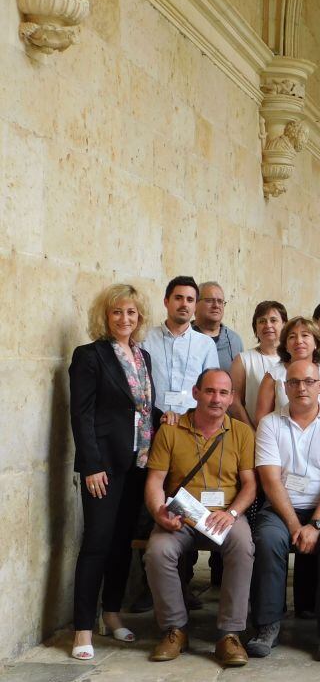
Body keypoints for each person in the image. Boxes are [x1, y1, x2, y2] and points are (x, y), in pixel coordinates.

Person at [68, 283, 158, 661]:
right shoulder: (90, 355)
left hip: (139, 463)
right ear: (105, 317)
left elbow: (141, 407)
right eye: (117, 312)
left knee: (122, 544)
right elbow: (81, 413)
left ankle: (111, 614)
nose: (125, 319)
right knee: (97, 543)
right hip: (103, 466)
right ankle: (82, 630)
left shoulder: (143, 356)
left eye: (131, 313)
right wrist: (90, 465)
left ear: (139, 318)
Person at [143, 369, 255, 666]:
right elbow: (155, 482)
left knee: (243, 546)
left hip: (224, 514)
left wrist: (231, 514)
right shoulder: (171, 429)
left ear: (231, 398)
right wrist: (159, 512)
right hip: (181, 515)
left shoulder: (242, 432)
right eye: (209, 391)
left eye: (223, 393)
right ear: (196, 393)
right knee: (158, 550)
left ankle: (229, 634)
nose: (216, 399)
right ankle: (174, 629)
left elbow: (251, 485)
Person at [248, 360, 320, 661]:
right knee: (268, 540)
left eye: (309, 381)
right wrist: (296, 525)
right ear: (285, 388)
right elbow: (270, 480)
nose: (301, 387)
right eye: (294, 382)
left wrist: (317, 523)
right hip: (282, 508)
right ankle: (267, 625)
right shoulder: (270, 424)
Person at [144, 276, 218, 414]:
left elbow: (212, 388)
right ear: (166, 302)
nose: (184, 304)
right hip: (152, 421)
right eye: (178, 298)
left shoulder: (206, 345)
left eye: (190, 300)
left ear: (195, 306)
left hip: (191, 424)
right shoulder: (145, 339)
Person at [254, 317, 320, 427]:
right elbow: (261, 419)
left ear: (316, 342)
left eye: (305, 335)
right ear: (286, 346)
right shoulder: (273, 376)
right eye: (292, 337)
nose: (299, 341)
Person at [229, 300, 287, 428]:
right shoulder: (243, 360)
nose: (268, 325)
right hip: (255, 431)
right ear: (255, 327)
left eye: (273, 320)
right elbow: (234, 401)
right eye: (262, 321)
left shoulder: (293, 360)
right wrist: (250, 432)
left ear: (284, 324)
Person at [193, 281, 244, 370]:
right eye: (209, 300)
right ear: (195, 304)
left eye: (220, 301)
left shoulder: (235, 341)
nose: (216, 305)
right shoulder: (183, 337)